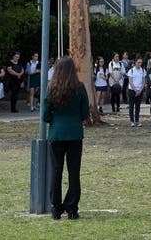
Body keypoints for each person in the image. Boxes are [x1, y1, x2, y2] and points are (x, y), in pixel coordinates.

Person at [43, 55, 89, 221]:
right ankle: (72, 207)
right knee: (74, 172)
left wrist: (55, 119)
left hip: (56, 133)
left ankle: (56, 208)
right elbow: (85, 113)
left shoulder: (51, 88)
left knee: (56, 171)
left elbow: (45, 115)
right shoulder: (80, 87)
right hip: (75, 133)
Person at [126, 55, 145, 127]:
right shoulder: (131, 71)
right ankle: (132, 120)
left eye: (141, 63)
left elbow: (143, 81)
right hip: (132, 90)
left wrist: (140, 90)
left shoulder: (143, 70)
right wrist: (135, 90)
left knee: (138, 106)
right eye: (138, 62)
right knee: (131, 106)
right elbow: (130, 82)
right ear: (135, 62)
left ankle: (137, 120)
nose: (139, 64)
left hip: (140, 90)